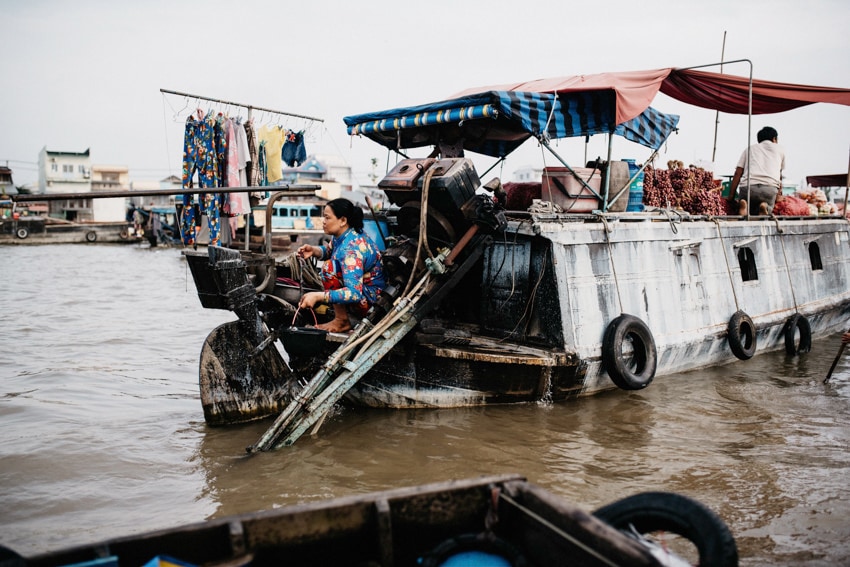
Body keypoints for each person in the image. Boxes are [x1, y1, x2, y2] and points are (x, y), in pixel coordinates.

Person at [297, 198, 385, 333]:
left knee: (328, 268)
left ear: (343, 220)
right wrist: (314, 250)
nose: (323, 221)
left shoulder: (351, 250)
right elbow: (331, 252)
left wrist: (319, 296)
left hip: (371, 302)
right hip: (365, 293)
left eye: (327, 217)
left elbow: (354, 293)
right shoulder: (346, 234)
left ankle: (341, 320)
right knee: (331, 265)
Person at [729, 126, 785, 216]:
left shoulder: (749, 149)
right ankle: (765, 206)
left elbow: (738, 173)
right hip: (769, 189)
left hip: (748, 188)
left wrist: (731, 197)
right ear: (774, 139)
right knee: (770, 205)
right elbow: (779, 175)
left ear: (759, 140)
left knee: (747, 202)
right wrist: (778, 195)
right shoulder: (780, 150)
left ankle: (743, 204)